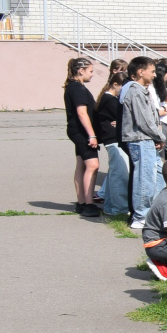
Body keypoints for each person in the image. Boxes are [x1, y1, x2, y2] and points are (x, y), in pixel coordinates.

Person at [119, 56, 165, 228]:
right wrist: (159, 136)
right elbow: (143, 121)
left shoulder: (141, 90)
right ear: (140, 72)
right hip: (140, 140)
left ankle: (153, 212)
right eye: (152, 71)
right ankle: (141, 216)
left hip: (147, 139)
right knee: (144, 179)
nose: (154, 75)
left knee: (157, 175)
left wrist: (156, 137)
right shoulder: (135, 91)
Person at [63, 58, 101, 217]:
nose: (92, 74)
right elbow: (82, 113)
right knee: (93, 165)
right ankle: (88, 204)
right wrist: (92, 135)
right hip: (81, 132)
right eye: (90, 71)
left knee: (81, 165)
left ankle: (81, 203)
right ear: (81, 71)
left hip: (76, 130)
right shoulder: (77, 88)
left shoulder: (73, 86)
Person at [95, 64, 131, 217]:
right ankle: (119, 209)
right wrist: (123, 121)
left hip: (113, 140)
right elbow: (125, 115)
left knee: (115, 174)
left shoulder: (109, 99)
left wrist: (122, 121)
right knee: (119, 175)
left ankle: (110, 207)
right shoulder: (110, 100)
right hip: (113, 140)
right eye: (122, 88)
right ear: (115, 84)